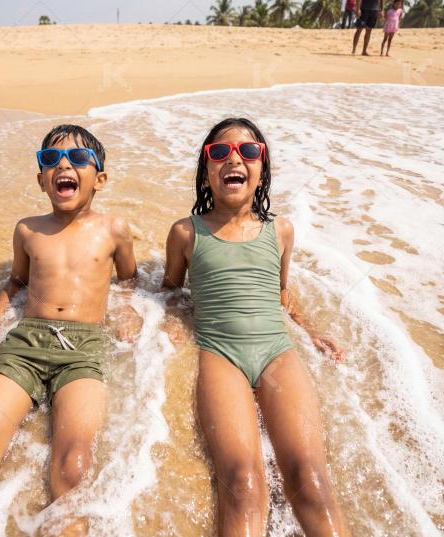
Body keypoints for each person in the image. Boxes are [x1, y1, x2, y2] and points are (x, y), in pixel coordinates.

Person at [0, 125, 137, 537]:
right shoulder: (28, 230)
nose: (63, 166)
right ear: (40, 178)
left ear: (100, 178)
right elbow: (16, 281)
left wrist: (126, 311)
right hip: (25, 344)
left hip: (84, 348)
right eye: (50, 160)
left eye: (78, 159)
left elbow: (128, 279)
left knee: (74, 465)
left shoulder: (114, 229)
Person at [163, 118, 349, 536]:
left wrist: (309, 328)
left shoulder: (279, 231)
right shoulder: (185, 233)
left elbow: (281, 292)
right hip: (220, 356)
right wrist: (174, 322)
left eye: (249, 152)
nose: (235, 159)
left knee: (311, 479)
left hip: (277, 353)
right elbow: (170, 291)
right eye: (220, 152)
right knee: (243, 483)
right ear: (206, 170)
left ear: (262, 170)